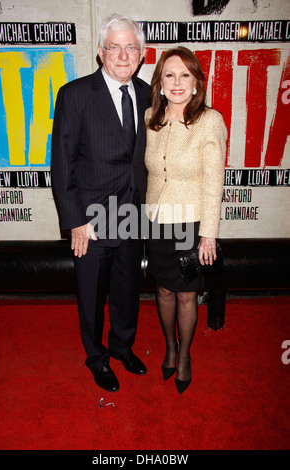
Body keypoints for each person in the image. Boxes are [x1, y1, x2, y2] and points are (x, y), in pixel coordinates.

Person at [51, 14, 151, 392]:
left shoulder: (147, 94)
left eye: (131, 47)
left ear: (141, 54)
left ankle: (122, 346)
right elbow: (62, 163)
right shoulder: (75, 94)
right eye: (115, 47)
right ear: (100, 52)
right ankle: (97, 358)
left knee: (127, 287)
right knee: (92, 292)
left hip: (133, 212)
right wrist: (75, 220)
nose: (123, 55)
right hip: (91, 218)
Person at [144, 47, 227, 394]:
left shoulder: (210, 121)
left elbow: (213, 183)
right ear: (160, 83)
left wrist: (208, 235)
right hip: (157, 222)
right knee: (163, 290)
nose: (177, 82)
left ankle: (185, 356)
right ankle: (170, 346)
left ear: (196, 83)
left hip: (191, 226)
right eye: (169, 75)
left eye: (185, 75)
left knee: (187, 296)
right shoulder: (151, 117)